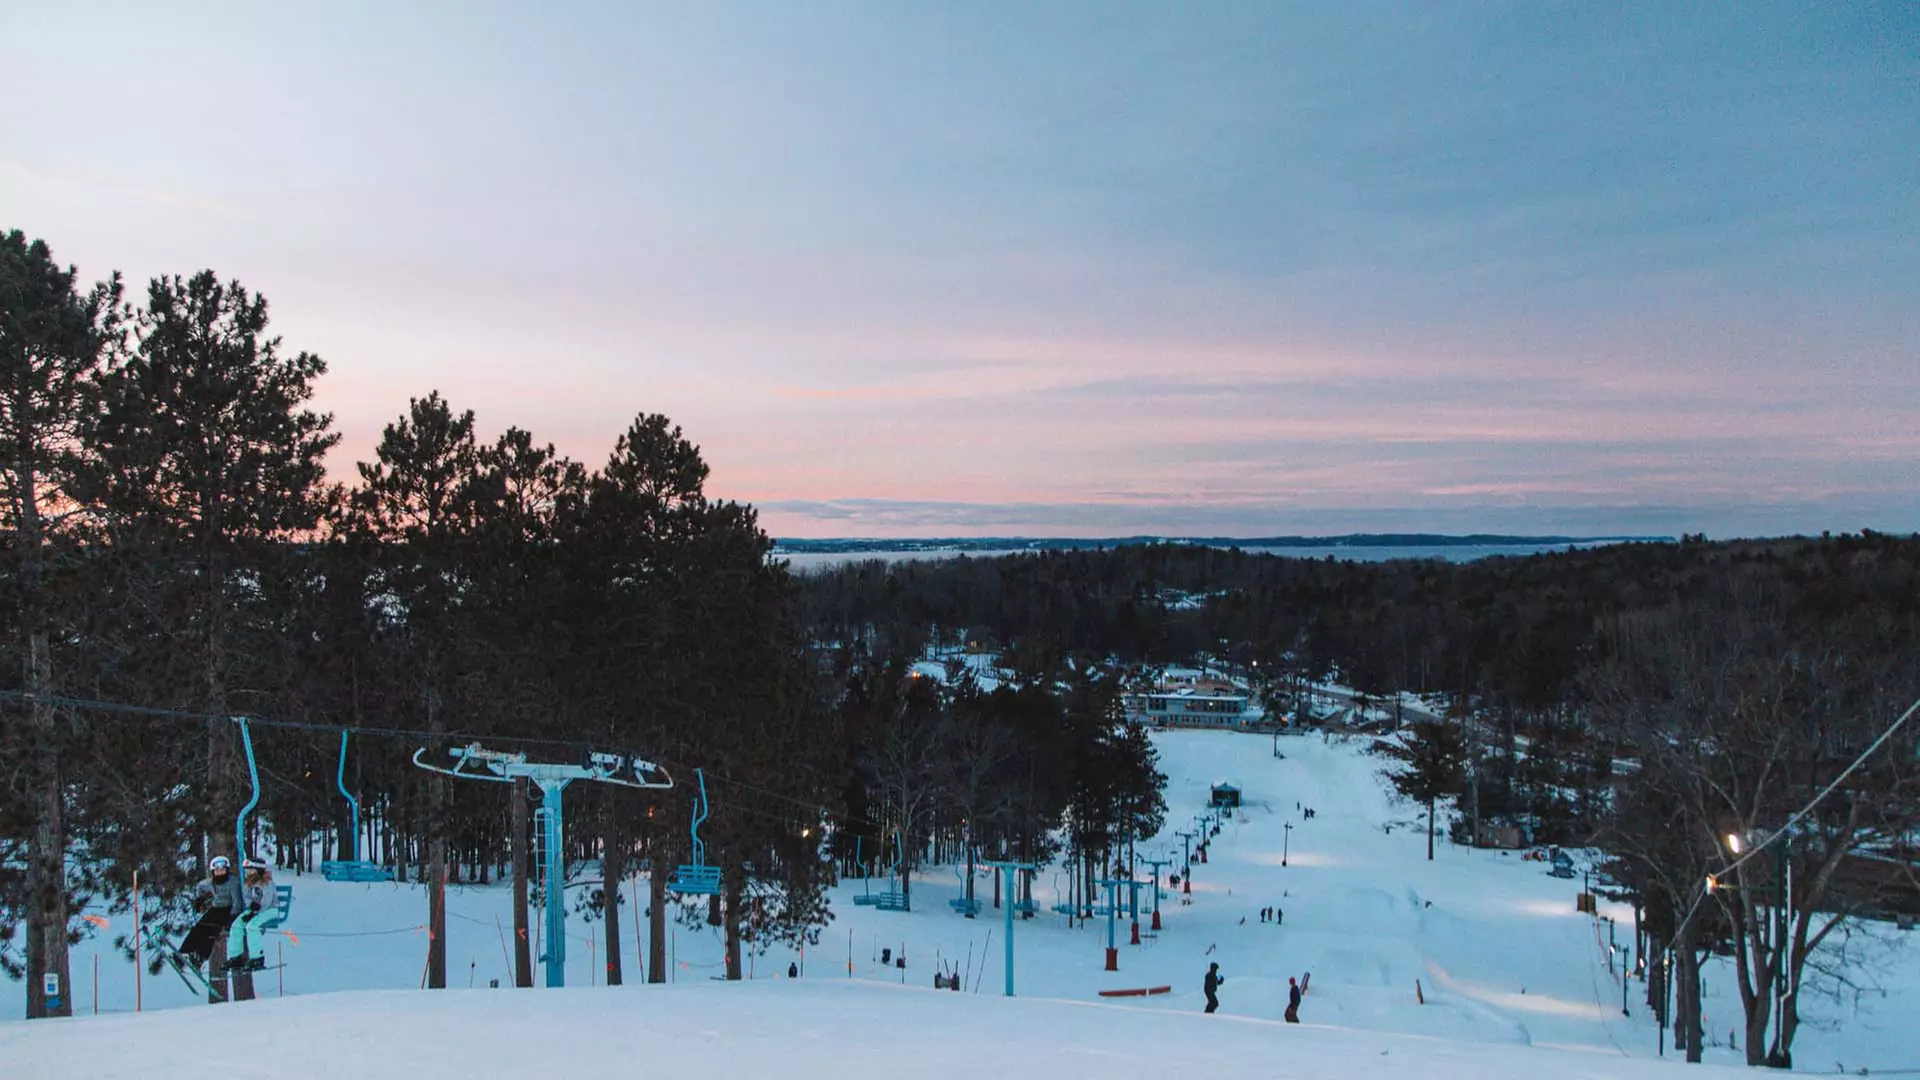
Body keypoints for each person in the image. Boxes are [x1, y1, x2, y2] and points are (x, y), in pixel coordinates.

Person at [179, 856, 244, 969]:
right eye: (217, 871)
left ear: (227, 870)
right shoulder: (211, 882)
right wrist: (199, 899)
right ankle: (184, 952)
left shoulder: (232, 882)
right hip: (215, 909)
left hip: (227, 910)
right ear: (213, 872)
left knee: (211, 931)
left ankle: (200, 957)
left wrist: (232, 917)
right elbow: (200, 886)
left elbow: (237, 902)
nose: (220, 873)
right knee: (199, 928)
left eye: (222, 870)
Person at [224, 859, 274, 972]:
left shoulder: (266, 881)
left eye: (250, 870)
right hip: (253, 910)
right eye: (247, 870)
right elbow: (247, 898)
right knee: (236, 925)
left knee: (252, 926)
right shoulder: (248, 882)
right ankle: (236, 956)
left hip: (269, 909)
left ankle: (258, 957)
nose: (247, 872)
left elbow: (267, 900)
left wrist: (254, 911)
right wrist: (250, 909)